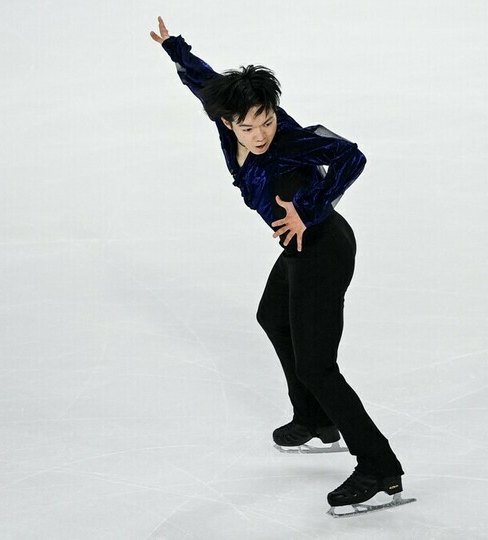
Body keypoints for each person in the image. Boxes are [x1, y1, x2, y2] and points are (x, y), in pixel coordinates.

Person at [150, 16, 406, 510]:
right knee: (272, 316)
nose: (261, 133)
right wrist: (174, 48)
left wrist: (308, 208)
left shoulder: (287, 139)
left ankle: (380, 468)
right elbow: (205, 82)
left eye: (266, 119)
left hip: (324, 248)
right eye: (248, 126)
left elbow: (351, 156)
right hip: (297, 249)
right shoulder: (228, 118)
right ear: (228, 122)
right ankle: (314, 419)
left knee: (318, 365)